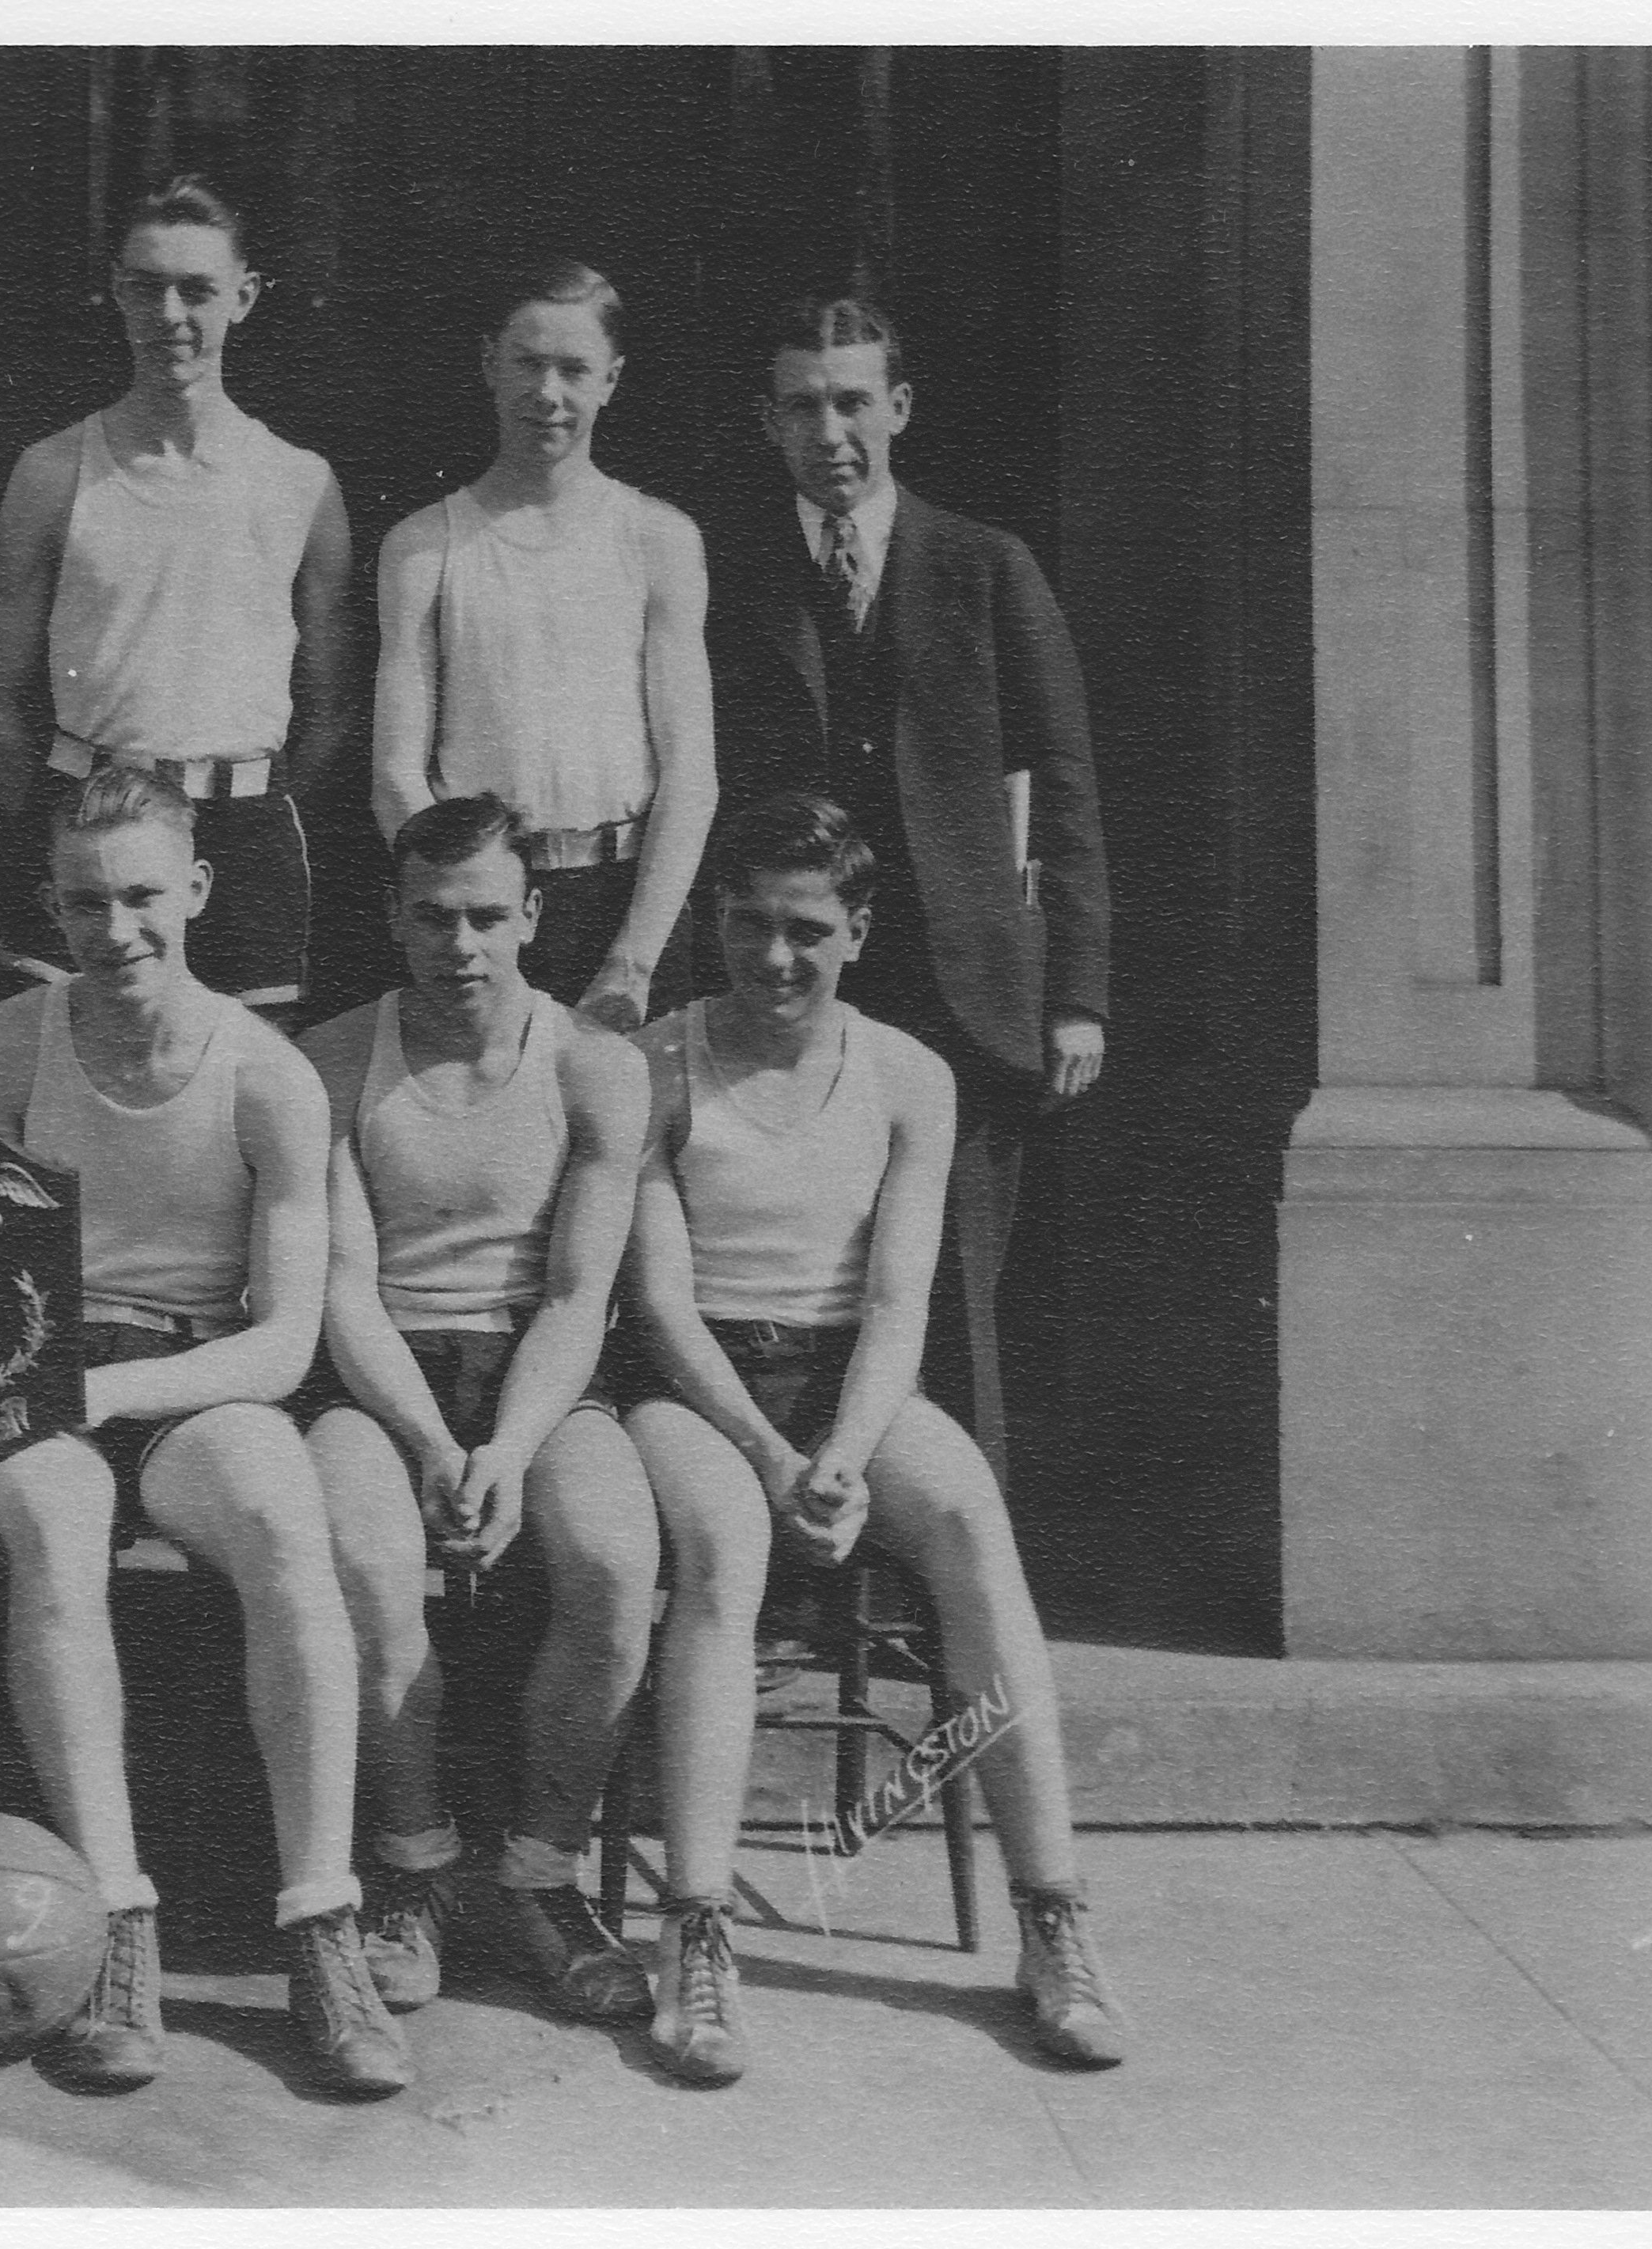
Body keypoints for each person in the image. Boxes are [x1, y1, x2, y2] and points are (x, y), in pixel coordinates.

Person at [620, 792, 1130, 2086]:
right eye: (745, 925)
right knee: (726, 1548)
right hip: (700, 1389)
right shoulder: (658, 1066)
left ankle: (1053, 1915)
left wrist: (840, 1454)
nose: (772, 959)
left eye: (804, 930)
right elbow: (664, 1305)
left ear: (856, 929)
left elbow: (900, 1300)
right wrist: (777, 1460)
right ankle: (696, 1934)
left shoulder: (908, 1076)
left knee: (964, 1518)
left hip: (848, 1383)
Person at [0, 766, 412, 2098]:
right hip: (41, 1373)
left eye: (144, 895)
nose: (118, 929)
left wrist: (113, 1392)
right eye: (87, 901)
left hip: (197, 1376)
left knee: (283, 1513)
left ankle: (320, 1918)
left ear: (198, 892)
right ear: (53, 903)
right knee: (49, 1518)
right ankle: (116, 1917)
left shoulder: (268, 1075)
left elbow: (283, 1340)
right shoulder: (3, 1044)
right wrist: (28, 1380)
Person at [704, 294, 1109, 1477]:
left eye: (852, 402)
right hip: (784, 983)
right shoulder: (729, 570)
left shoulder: (987, 568)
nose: (830, 431)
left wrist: (1076, 990)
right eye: (802, 406)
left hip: (960, 987)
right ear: (768, 422)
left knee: (951, 1292)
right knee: (791, 1278)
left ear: (901, 409)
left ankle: (944, 1596)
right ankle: (800, 1579)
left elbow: (1067, 784)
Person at [297, 797, 662, 2023]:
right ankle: (414, 1866)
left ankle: (541, 1878)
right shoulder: (336, 1060)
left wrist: (501, 1447)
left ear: (535, 917)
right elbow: (341, 1289)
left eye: (489, 918)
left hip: (537, 1379)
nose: (463, 945)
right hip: (383, 1374)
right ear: (396, 919)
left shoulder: (595, 1067)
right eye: (436, 917)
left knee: (614, 1556)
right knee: (359, 1551)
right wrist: (433, 1445)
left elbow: (577, 1293)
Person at [0, 176, 350, 1015]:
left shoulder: (301, 484)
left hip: (243, 829)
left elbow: (331, 712)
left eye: (198, 290)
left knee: (245, 1096)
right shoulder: (51, 471)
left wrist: (249, 808)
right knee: (63, 1087)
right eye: (146, 287)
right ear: (116, 291)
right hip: (91, 813)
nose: (170, 314)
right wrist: (61, 823)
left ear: (244, 297)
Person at [370, 260, 718, 1030]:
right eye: (527, 363)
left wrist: (634, 959)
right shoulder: (425, 546)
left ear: (612, 379)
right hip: (482, 910)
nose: (548, 393)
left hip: (627, 902)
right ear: (488, 363)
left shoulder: (658, 539)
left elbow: (691, 769)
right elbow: (396, 773)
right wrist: (473, 923)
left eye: (574, 369)